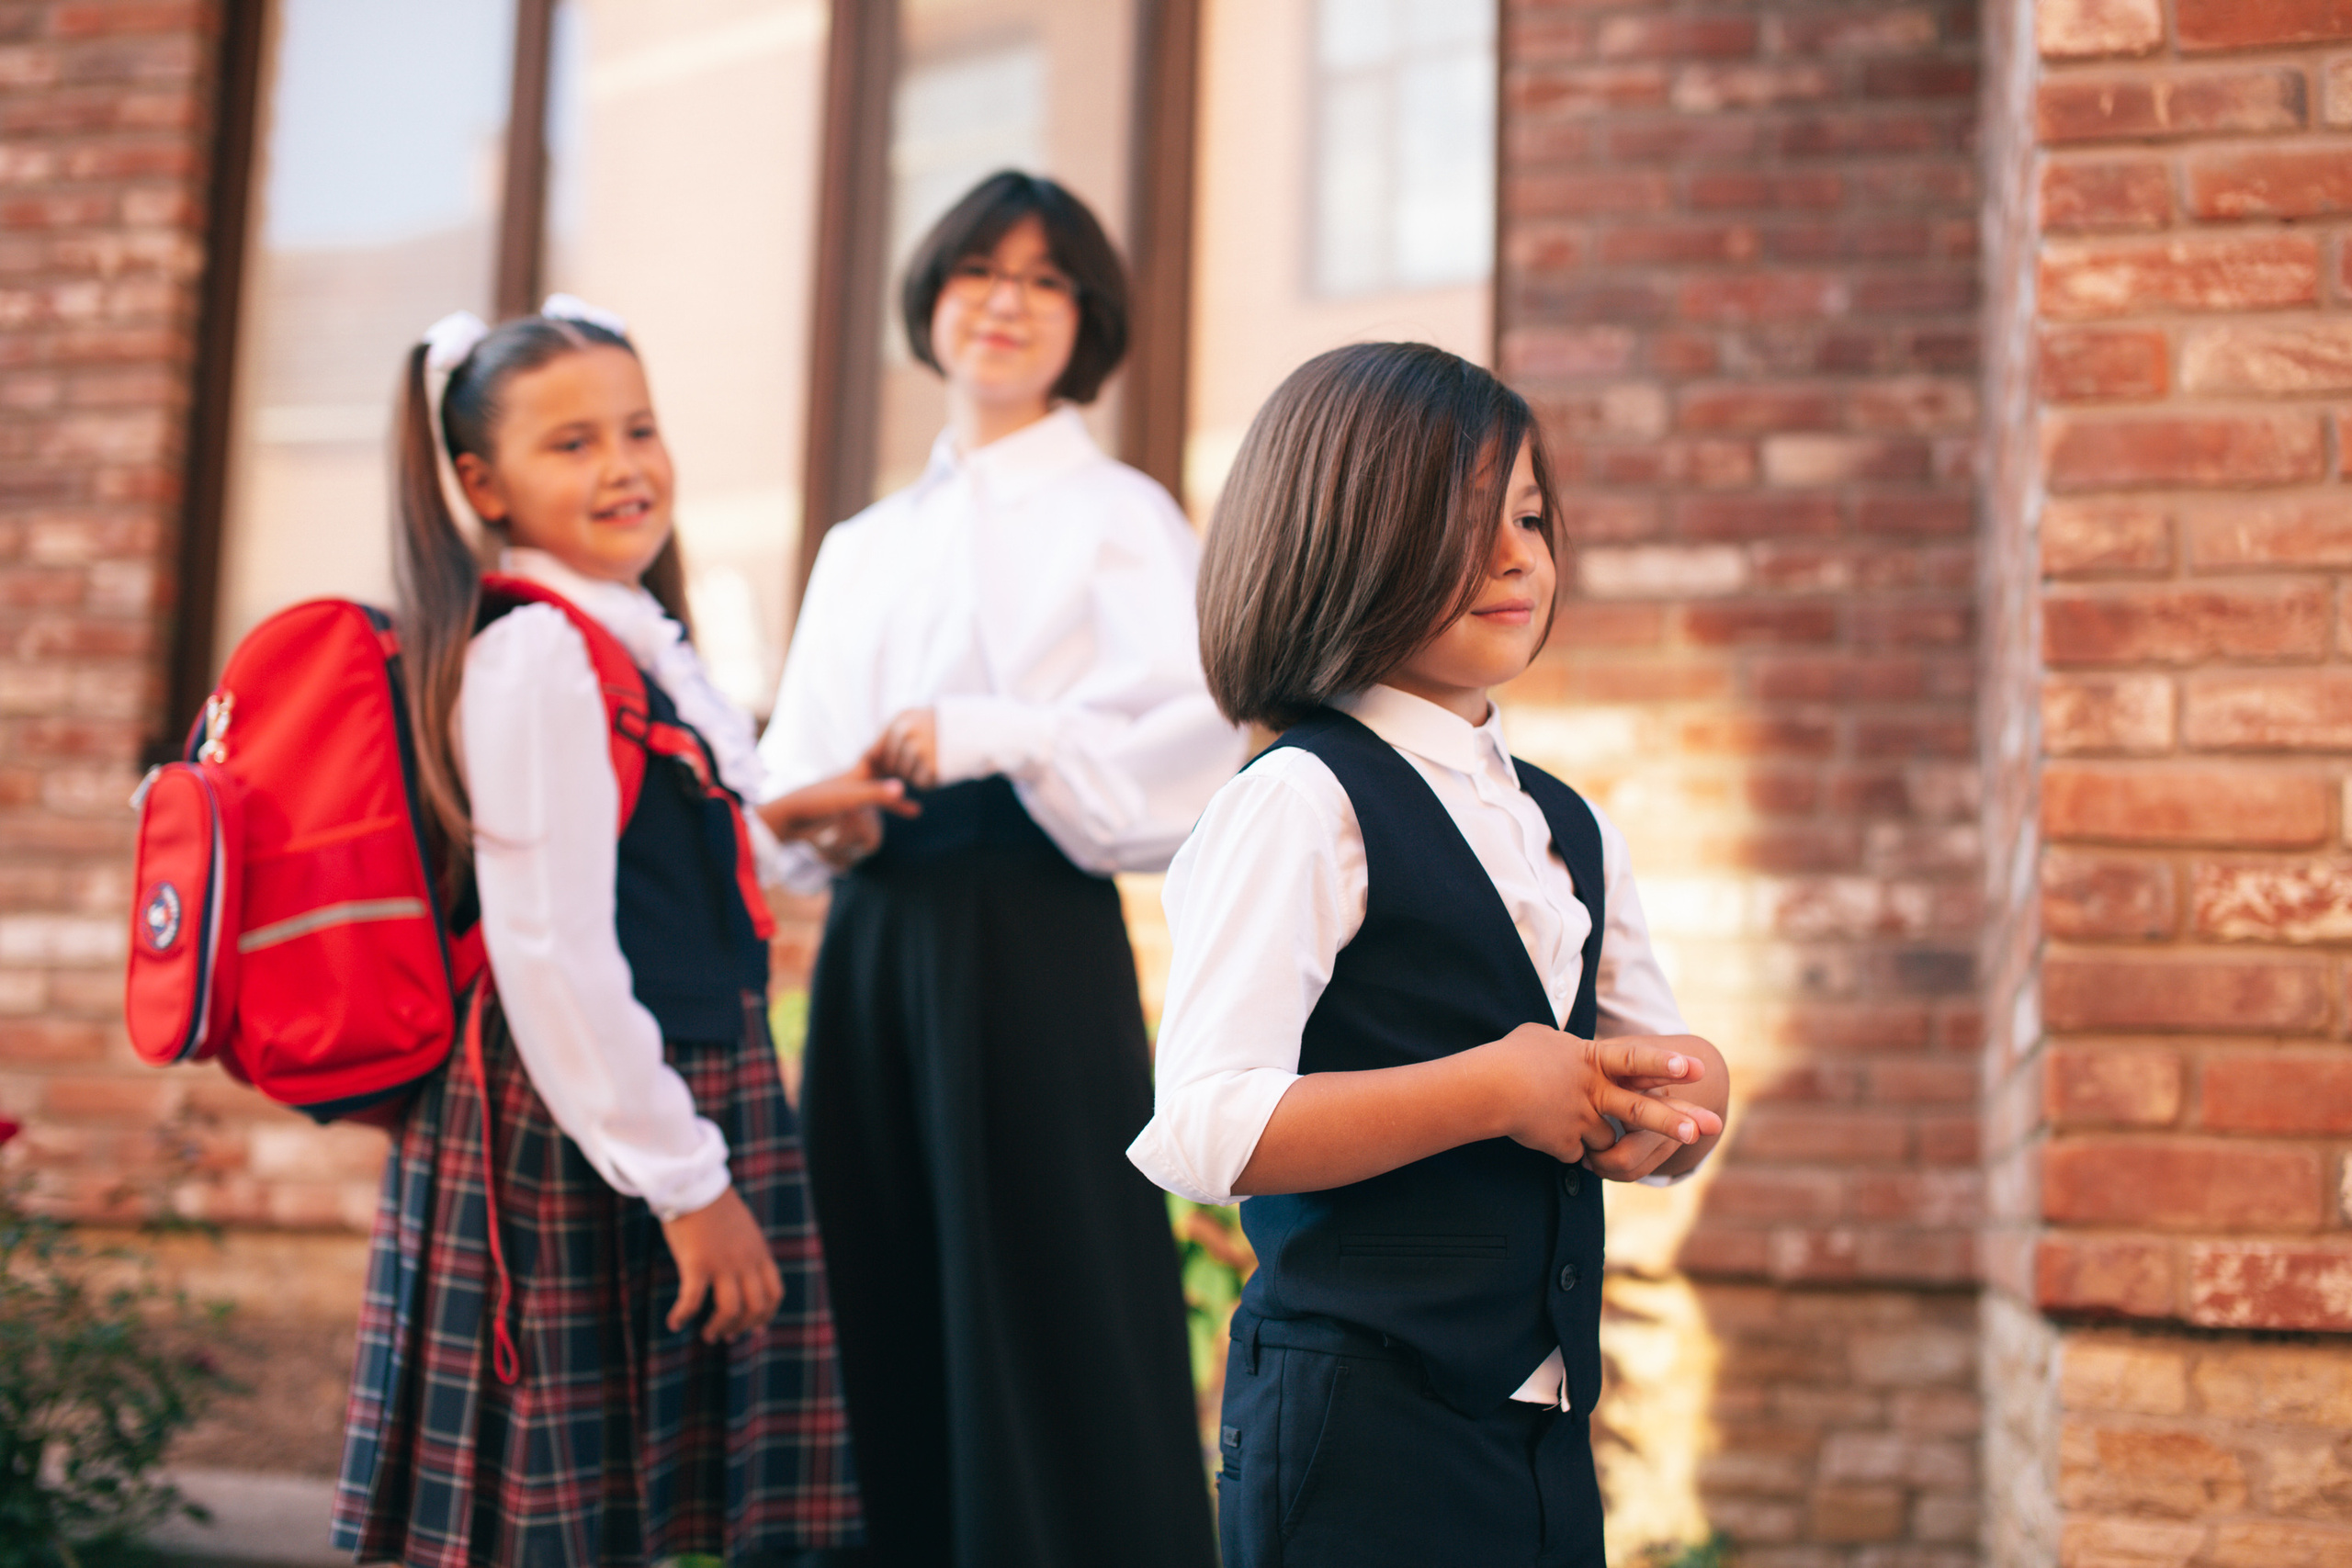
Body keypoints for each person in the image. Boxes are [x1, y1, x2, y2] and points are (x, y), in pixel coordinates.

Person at [1127, 342, 1733, 1568]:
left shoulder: (1567, 822)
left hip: (1543, 1432)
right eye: (1467, 522)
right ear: (1343, 538)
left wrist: (1670, 1106)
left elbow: (1641, 1056)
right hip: (1361, 1429)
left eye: (1530, 515)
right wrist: (1497, 1089)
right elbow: (1201, 1130)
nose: (1519, 554)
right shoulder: (1303, 800)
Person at [334, 299, 894, 1568]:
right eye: (572, 443)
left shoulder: (619, 636)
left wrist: (786, 821)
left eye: (638, 428)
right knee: (553, 1523)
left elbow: (643, 852)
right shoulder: (536, 654)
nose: (625, 465)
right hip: (592, 1120)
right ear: (481, 483)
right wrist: (690, 1188)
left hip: (658, 1089)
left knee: (619, 1513)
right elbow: (552, 957)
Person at [759, 172, 1238, 1568]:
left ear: (1085, 318)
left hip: (1032, 929)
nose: (1006, 302)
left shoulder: (1123, 514)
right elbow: (790, 771)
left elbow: (1193, 752)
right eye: (978, 269)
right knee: (875, 1278)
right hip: (874, 940)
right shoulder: (864, 546)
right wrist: (818, 819)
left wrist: (992, 734)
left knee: (1050, 1280)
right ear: (932, 297)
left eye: (1043, 278)